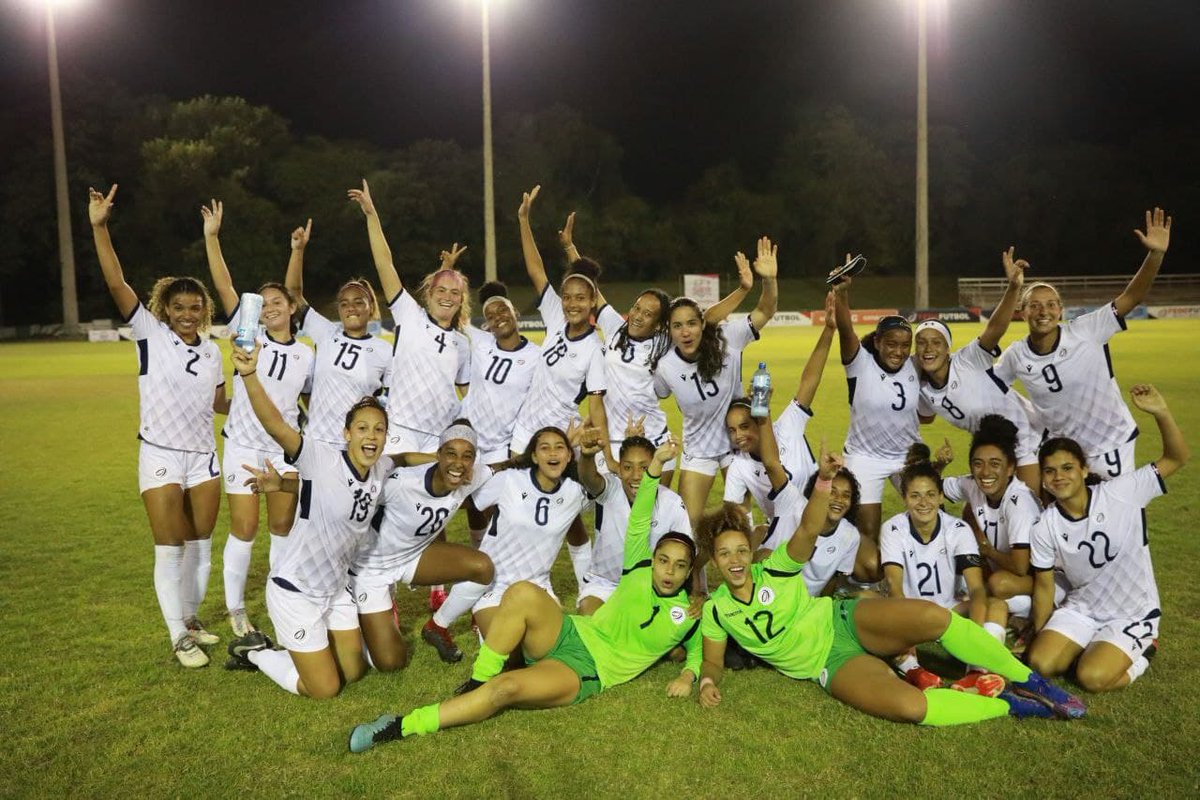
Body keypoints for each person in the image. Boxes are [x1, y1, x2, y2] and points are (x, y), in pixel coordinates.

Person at [695, 439, 1087, 725]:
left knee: (935, 618)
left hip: (842, 619)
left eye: (740, 551)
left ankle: (1034, 683)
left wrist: (825, 482)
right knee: (912, 708)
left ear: (751, 551)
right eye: (725, 554)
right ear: (714, 560)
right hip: (827, 661)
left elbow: (810, 528)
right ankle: (1011, 706)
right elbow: (712, 659)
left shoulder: (776, 568)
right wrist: (705, 682)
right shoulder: (717, 611)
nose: (735, 561)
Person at [348, 438, 700, 753]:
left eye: (680, 565)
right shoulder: (638, 569)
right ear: (651, 559)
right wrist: (655, 467)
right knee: (521, 592)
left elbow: (703, 648)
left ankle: (402, 725)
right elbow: (639, 518)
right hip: (572, 631)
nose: (669, 570)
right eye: (664, 560)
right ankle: (477, 680)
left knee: (507, 688)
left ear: (689, 571)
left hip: (588, 668)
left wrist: (690, 675)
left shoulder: (693, 611)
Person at [89, 184, 229, 668]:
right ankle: (177, 636)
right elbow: (116, 284)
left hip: (204, 456)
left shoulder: (213, 352)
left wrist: (261, 393)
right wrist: (100, 227)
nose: (188, 315)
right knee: (169, 545)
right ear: (164, 309)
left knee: (200, 544)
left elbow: (219, 404)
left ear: (204, 312)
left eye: (196, 308)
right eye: (179, 307)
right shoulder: (150, 335)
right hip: (161, 453)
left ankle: (191, 619)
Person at [224, 344, 391, 700]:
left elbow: (397, 463)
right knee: (325, 688)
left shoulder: (382, 467)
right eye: (362, 428)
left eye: (378, 430)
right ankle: (255, 651)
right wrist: (249, 374)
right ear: (347, 434)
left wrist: (284, 484)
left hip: (334, 589)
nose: (371, 436)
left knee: (354, 671)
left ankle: (309, 650)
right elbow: (275, 424)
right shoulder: (319, 456)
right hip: (295, 590)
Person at [558, 211, 752, 485]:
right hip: (612, 436)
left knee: (654, 515)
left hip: (653, 437)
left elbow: (706, 318)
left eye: (648, 314)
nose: (637, 315)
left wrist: (743, 290)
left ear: (660, 323)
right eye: (637, 307)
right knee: (611, 516)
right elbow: (593, 289)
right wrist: (570, 247)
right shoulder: (614, 326)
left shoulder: (665, 341)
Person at [1025, 384, 1188, 692]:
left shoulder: (1122, 493)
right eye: (1049, 471)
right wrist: (1041, 632)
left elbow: (1177, 458)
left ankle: (1144, 651)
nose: (1059, 476)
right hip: (1083, 608)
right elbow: (1044, 587)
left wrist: (1161, 412)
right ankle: (1091, 647)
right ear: (1043, 479)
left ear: (1085, 469)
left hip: (1131, 612)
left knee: (1092, 678)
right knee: (1042, 664)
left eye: (1067, 468)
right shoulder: (1045, 525)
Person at [202, 200, 315, 637]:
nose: (269, 306)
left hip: (285, 450)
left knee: (283, 527)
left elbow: (312, 403)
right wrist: (213, 237)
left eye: (276, 301)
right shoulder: (248, 335)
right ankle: (236, 613)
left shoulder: (307, 354)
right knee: (245, 529)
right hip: (245, 447)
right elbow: (225, 284)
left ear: (291, 307)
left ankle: (279, 598)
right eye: (263, 302)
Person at [994, 208, 1172, 479]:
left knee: (1117, 517)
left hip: (1110, 445)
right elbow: (989, 386)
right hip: (1063, 456)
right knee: (1070, 520)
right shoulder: (1016, 355)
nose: (1044, 311)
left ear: (1061, 311)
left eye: (1051, 305)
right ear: (1022, 311)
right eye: (1035, 306)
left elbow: (1132, 296)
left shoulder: (1087, 330)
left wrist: (1155, 254)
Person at [422, 425, 595, 660]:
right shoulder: (509, 480)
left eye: (559, 448)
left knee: (548, 655)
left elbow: (607, 493)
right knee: (512, 659)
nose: (552, 454)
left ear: (568, 456)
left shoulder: (575, 493)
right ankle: (458, 626)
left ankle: (467, 631)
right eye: (545, 448)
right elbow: (470, 498)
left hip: (538, 588)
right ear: (533, 456)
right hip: (493, 587)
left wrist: (587, 589)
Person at [510, 186, 609, 586]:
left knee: (564, 513)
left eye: (580, 298)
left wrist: (593, 442)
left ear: (591, 303)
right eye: (568, 296)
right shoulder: (552, 314)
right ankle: (527, 574)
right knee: (517, 503)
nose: (571, 303)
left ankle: (586, 577)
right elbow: (536, 270)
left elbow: (597, 403)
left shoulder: (594, 349)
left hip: (557, 438)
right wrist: (523, 221)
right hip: (523, 431)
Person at [651, 236, 779, 532]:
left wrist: (768, 281)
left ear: (703, 324)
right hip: (698, 449)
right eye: (677, 325)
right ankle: (697, 581)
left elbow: (765, 310)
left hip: (736, 445)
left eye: (691, 323)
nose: (685, 331)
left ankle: (746, 576)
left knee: (739, 524)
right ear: (669, 331)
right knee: (686, 528)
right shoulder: (666, 366)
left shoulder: (728, 339)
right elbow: (655, 396)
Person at [350, 423, 496, 672]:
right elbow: (347, 493)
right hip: (370, 570)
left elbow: (502, 467)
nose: (459, 462)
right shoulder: (400, 483)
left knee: (482, 568)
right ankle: (352, 622)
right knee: (391, 663)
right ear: (437, 455)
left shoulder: (468, 476)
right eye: (451, 453)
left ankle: (437, 626)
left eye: (467, 456)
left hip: (411, 559)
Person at [348, 180, 472, 467]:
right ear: (428, 294)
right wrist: (371, 215)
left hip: (439, 436)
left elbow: (469, 395)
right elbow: (384, 264)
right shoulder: (409, 315)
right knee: (387, 499)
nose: (447, 297)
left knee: (430, 506)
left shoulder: (463, 344)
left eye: (455, 292)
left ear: (461, 300)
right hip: (401, 429)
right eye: (440, 290)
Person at [914, 247, 1041, 492]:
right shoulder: (920, 387)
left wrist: (1014, 287)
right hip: (987, 452)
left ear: (947, 349)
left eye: (936, 342)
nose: (928, 348)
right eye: (921, 342)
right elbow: (925, 416)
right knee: (982, 516)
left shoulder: (968, 360)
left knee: (1032, 505)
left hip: (1025, 438)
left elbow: (995, 328)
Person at [880, 461, 1009, 696]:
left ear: (941, 497)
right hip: (912, 610)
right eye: (915, 496)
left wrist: (976, 637)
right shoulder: (893, 528)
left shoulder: (958, 529)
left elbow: (977, 589)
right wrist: (903, 628)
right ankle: (914, 671)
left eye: (930, 494)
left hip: (951, 610)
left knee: (996, 605)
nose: (923, 502)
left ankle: (976, 672)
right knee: (879, 611)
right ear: (904, 498)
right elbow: (894, 585)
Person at [722, 289, 836, 553]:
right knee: (763, 562)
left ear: (758, 417)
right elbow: (733, 512)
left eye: (744, 426)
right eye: (732, 430)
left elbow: (809, 380)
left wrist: (829, 330)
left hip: (822, 519)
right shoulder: (739, 465)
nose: (738, 435)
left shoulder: (788, 426)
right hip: (783, 529)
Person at [831, 272, 919, 577]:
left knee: (929, 513)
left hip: (905, 457)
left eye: (905, 345)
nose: (898, 351)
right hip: (864, 457)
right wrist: (842, 294)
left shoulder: (914, 367)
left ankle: (923, 568)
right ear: (878, 341)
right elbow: (845, 329)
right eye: (892, 344)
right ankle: (862, 577)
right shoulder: (859, 364)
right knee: (866, 529)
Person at [282, 220, 391, 454]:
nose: (351, 307)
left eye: (358, 302)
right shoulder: (326, 332)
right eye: (344, 303)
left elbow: (393, 403)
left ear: (371, 307)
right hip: (315, 444)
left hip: (354, 449)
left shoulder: (385, 351)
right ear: (339, 310)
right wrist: (298, 251)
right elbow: (292, 294)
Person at [941, 415, 1047, 624]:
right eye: (978, 464)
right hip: (999, 569)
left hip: (1036, 578)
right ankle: (990, 602)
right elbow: (933, 488)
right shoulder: (972, 484)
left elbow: (1020, 567)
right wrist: (939, 466)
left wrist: (986, 549)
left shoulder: (1019, 503)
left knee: (998, 584)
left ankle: (1026, 609)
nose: (985, 472)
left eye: (995, 464)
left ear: (1010, 469)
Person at [458, 281, 540, 547]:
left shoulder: (536, 357)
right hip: (467, 439)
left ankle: (495, 559)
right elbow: (457, 314)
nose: (497, 318)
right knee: (467, 501)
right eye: (491, 316)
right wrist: (448, 271)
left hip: (500, 445)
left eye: (502, 311)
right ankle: (476, 551)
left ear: (515, 312)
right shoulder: (481, 342)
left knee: (492, 504)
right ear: (487, 324)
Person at [574, 431, 692, 615]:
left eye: (644, 468)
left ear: (655, 467)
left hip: (650, 587)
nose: (636, 476)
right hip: (605, 584)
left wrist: (696, 592)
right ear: (619, 469)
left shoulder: (673, 504)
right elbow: (589, 479)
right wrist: (587, 456)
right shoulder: (610, 489)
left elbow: (685, 553)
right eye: (628, 467)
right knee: (589, 617)